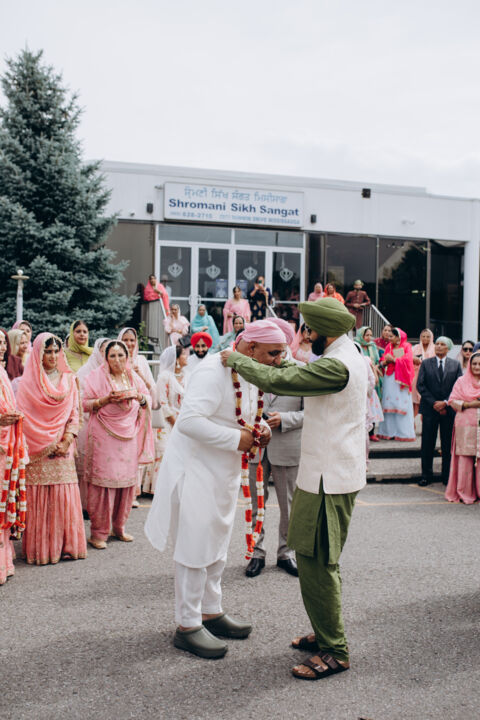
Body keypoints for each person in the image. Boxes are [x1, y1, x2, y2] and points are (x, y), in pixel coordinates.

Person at [221, 298, 367, 681]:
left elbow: (280, 381)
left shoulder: (338, 365)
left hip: (329, 480)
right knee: (311, 555)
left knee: (319, 563)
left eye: (309, 329)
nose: (305, 335)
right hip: (322, 475)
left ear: (323, 331)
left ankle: (334, 650)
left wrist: (236, 359)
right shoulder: (341, 355)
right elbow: (299, 369)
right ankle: (324, 631)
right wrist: (282, 359)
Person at [145, 320, 285, 660]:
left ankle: (211, 611)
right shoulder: (212, 370)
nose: (278, 361)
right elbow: (190, 421)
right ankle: (188, 624)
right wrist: (238, 439)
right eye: (273, 353)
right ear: (251, 347)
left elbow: (243, 415)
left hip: (223, 471)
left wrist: (261, 428)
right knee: (195, 547)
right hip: (195, 471)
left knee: (218, 543)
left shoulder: (248, 369)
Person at [17, 333, 86, 565]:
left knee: (63, 498)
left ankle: (68, 546)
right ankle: (42, 550)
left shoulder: (69, 379)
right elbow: (24, 419)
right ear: (38, 354)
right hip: (38, 450)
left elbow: (75, 413)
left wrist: (66, 441)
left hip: (62, 447)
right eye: (48, 351)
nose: (53, 356)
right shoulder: (28, 383)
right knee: (40, 499)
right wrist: (46, 443)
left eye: (57, 351)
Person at [83, 340, 154, 549]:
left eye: (121, 355)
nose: (117, 360)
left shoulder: (133, 377)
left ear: (127, 357)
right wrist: (105, 400)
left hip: (129, 436)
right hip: (104, 436)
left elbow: (148, 399)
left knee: (125, 484)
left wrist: (138, 396)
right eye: (112, 356)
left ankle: (119, 527)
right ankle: (98, 533)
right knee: (104, 485)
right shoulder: (96, 377)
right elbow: (84, 404)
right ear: (106, 359)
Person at [246, 385, 304, 579]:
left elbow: (311, 413)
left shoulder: (299, 374)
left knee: (288, 506)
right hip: (256, 446)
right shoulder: (252, 374)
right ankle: (256, 552)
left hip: (287, 446)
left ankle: (286, 553)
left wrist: (285, 419)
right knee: (255, 505)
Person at [417, 336, 462, 486]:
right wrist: (434, 403)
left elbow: (458, 387)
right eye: (437, 344)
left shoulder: (455, 365)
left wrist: (445, 403)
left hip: (448, 411)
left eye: (442, 344)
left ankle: (447, 476)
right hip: (429, 409)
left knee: (447, 444)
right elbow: (420, 385)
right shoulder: (426, 363)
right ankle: (426, 475)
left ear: (448, 348)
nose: (439, 346)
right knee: (427, 443)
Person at [76, 337, 110, 512]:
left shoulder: (112, 372)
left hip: (107, 426)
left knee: (101, 466)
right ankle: (83, 505)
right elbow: (79, 398)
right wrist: (100, 402)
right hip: (86, 422)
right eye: (103, 351)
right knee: (84, 466)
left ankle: (98, 506)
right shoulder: (84, 372)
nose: (106, 355)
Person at [151, 345, 189, 494]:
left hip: (183, 420)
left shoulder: (187, 375)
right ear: (176, 359)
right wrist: (174, 421)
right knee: (165, 452)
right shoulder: (164, 377)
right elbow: (162, 402)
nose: (187, 357)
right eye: (184, 354)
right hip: (167, 420)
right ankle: (160, 488)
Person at [0, 363, 26, 584]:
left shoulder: (1, 373)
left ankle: (4, 563)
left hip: (4, 448)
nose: (1, 348)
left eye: (2, 345)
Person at [445, 351, 480, 503]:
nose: (477, 367)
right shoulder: (461, 381)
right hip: (465, 425)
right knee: (465, 459)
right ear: (469, 365)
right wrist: (470, 404)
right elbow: (452, 401)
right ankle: (465, 492)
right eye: (474, 364)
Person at [377, 328, 415, 442]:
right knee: (389, 402)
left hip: (401, 379)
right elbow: (383, 360)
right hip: (389, 378)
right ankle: (388, 432)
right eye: (389, 336)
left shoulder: (406, 346)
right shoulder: (388, 347)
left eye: (392, 336)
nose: (389, 338)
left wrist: (393, 359)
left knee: (401, 403)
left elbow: (408, 360)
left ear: (399, 337)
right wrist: (385, 361)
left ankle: (403, 433)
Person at [411, 329, 436, 416]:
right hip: (415, 376)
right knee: (413, 401)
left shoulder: (434, 348)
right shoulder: (415, 348)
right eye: (423, 336)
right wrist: (414, 359)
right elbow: (408, 358)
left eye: (428, 337)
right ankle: (413, 420)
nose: (425, 338)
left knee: (424, 399)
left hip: (428, 377)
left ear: (431, 337)